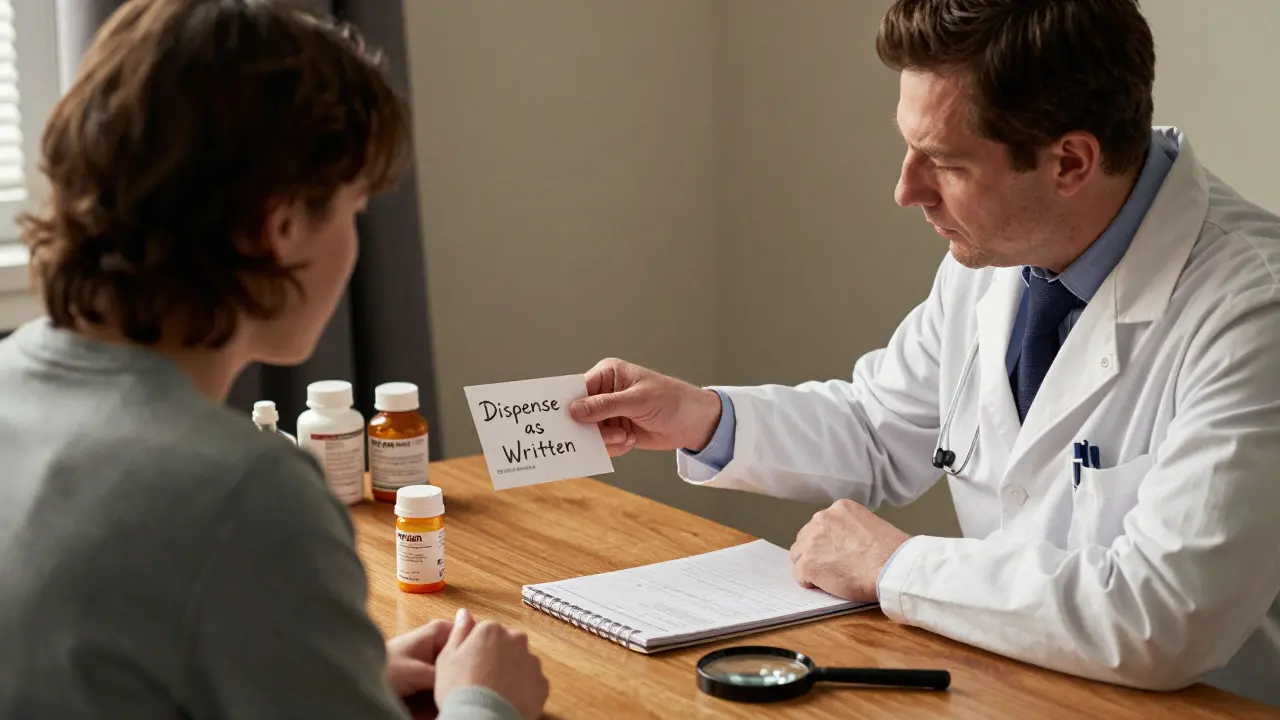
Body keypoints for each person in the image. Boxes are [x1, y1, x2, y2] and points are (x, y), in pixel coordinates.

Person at [570, 0, 1280, 708]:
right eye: (909, 148)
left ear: (1069, 161)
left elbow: (1163, 617)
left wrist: (894, 566)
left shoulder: (1254, 311)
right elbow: (880, 426)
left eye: (943, 161)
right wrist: (701, 418)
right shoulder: (1008, 252)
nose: (907, 190)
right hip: (1012, 683)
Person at [0, 1, 547, 718]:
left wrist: (323, 669)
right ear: (281, 228)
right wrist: (485, 700)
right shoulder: (244, 494)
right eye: (353, 209)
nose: (355, 239)